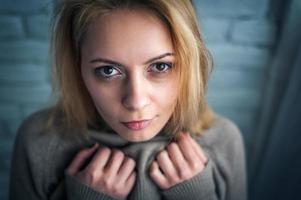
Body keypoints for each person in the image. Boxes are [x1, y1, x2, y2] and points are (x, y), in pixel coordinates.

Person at [9, 0, 247, 199]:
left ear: (189, 64)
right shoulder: (40, 142)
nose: (136, 101)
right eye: (108, 71)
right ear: (77, 68)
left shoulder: (223, 142)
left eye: (160, 66)